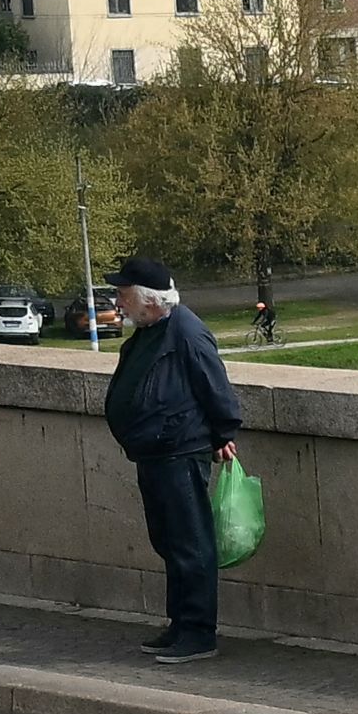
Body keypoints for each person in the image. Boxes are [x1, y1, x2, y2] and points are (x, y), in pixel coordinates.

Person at [97, 256, 245, 665]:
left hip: (179, 450)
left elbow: (215, 385)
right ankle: (181, 622)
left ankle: (198, 632)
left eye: (124, 294)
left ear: (150, 299)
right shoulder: (152, 329)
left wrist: (222, 434)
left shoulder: (186, 332)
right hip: (156, 451)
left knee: (190, 542)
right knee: (168, 540)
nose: (119, 301)